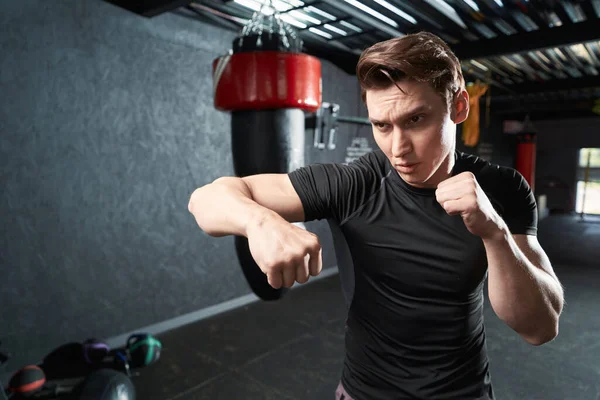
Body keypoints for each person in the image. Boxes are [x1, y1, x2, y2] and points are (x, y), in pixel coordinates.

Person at [187, 31, 564, 400]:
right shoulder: (356, 184)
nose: (398, 148)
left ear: (458, 107)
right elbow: (206, 200)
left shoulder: (503, 188)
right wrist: (260, 222)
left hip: (463, 391)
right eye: (382, 126)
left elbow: (540, 327)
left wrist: (495, 233)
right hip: (365, 390)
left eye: (416, 120)